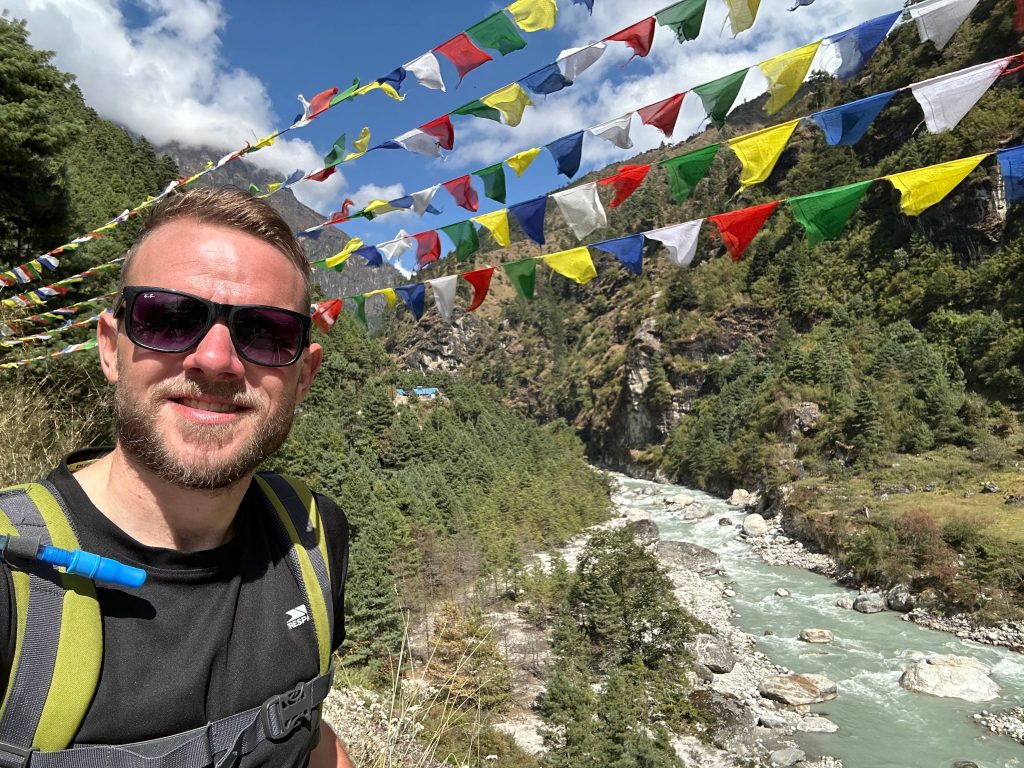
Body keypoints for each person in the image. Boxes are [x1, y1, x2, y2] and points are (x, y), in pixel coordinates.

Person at [0, 186, 354, 767]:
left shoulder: (312, 536)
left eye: (265, 333)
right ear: (110, 349)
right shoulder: (12, 580)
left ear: (303, 377)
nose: (215, 360)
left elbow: (309, 733)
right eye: (168, 319)